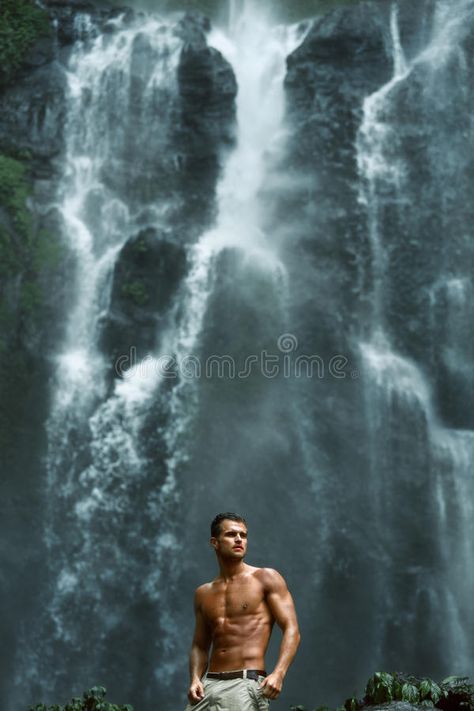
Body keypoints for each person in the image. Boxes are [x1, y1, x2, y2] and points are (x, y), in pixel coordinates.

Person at [184, 512, 301, 710]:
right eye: (231, 534)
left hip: (243, 684)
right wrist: (195, 679)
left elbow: (292, 629)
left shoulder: (265, 578)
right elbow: (199, 646)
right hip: (207, 686)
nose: (239, 539)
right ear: (214, 542)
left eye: (243, 535)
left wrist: (279, 673)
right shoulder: (203, 593)